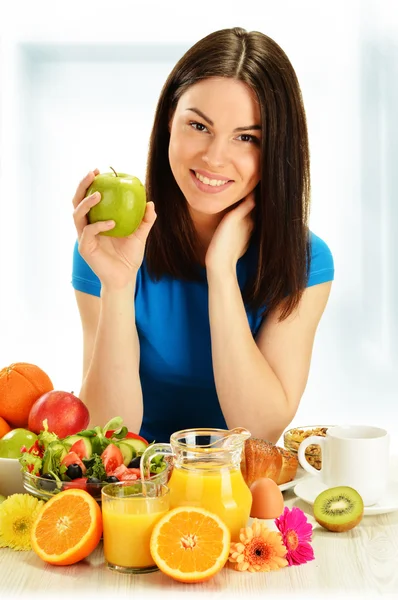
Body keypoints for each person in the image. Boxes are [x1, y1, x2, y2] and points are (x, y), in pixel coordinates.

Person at [71, 27, 334, 445]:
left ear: (277, 150)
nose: (214, 157)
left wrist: (222, 270)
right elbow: (106, 433)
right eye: (198, 125)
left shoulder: (306, 260)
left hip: (234, 493)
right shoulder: (110, 242)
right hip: (138, 490)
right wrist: (118, 286)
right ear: (168, 124)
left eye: (247, 138)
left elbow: (259, 429)